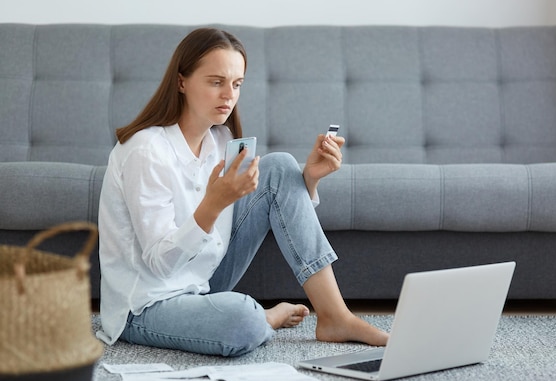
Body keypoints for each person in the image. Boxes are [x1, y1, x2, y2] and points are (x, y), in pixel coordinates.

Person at [96, 27, 389, 357]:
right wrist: (213, 203)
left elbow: (275, 207)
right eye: (216, 81)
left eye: (236, 84)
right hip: (146, 304)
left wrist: (310, 179)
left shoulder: (221, 140)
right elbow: (160, 265)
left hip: (201, 282)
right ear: (181, 82)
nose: (229, 95)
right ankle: (263, 317)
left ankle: (335, 316)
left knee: (280, 166)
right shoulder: (145, 150)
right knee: (243, 321)